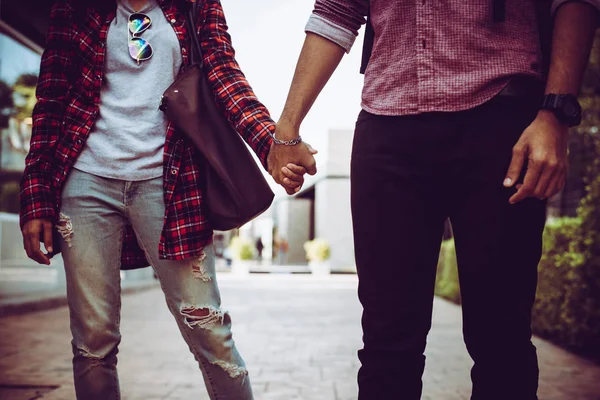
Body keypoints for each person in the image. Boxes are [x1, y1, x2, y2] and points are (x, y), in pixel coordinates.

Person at [268, 1, 600, 399]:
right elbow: (337, 10)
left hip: (502, 116)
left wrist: (556, 113)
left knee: (502, 341)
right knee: (386, 346)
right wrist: (285, 127)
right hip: (388, 123)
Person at [18, 0, 315, 399]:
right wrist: (36, 194)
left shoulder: (195, 5)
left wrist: (272, 144)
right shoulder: (74, 7)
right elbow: (51, 101)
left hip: (171, 182)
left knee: (209, 330)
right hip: (85, 183)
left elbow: (225, 78)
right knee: (93, 341)